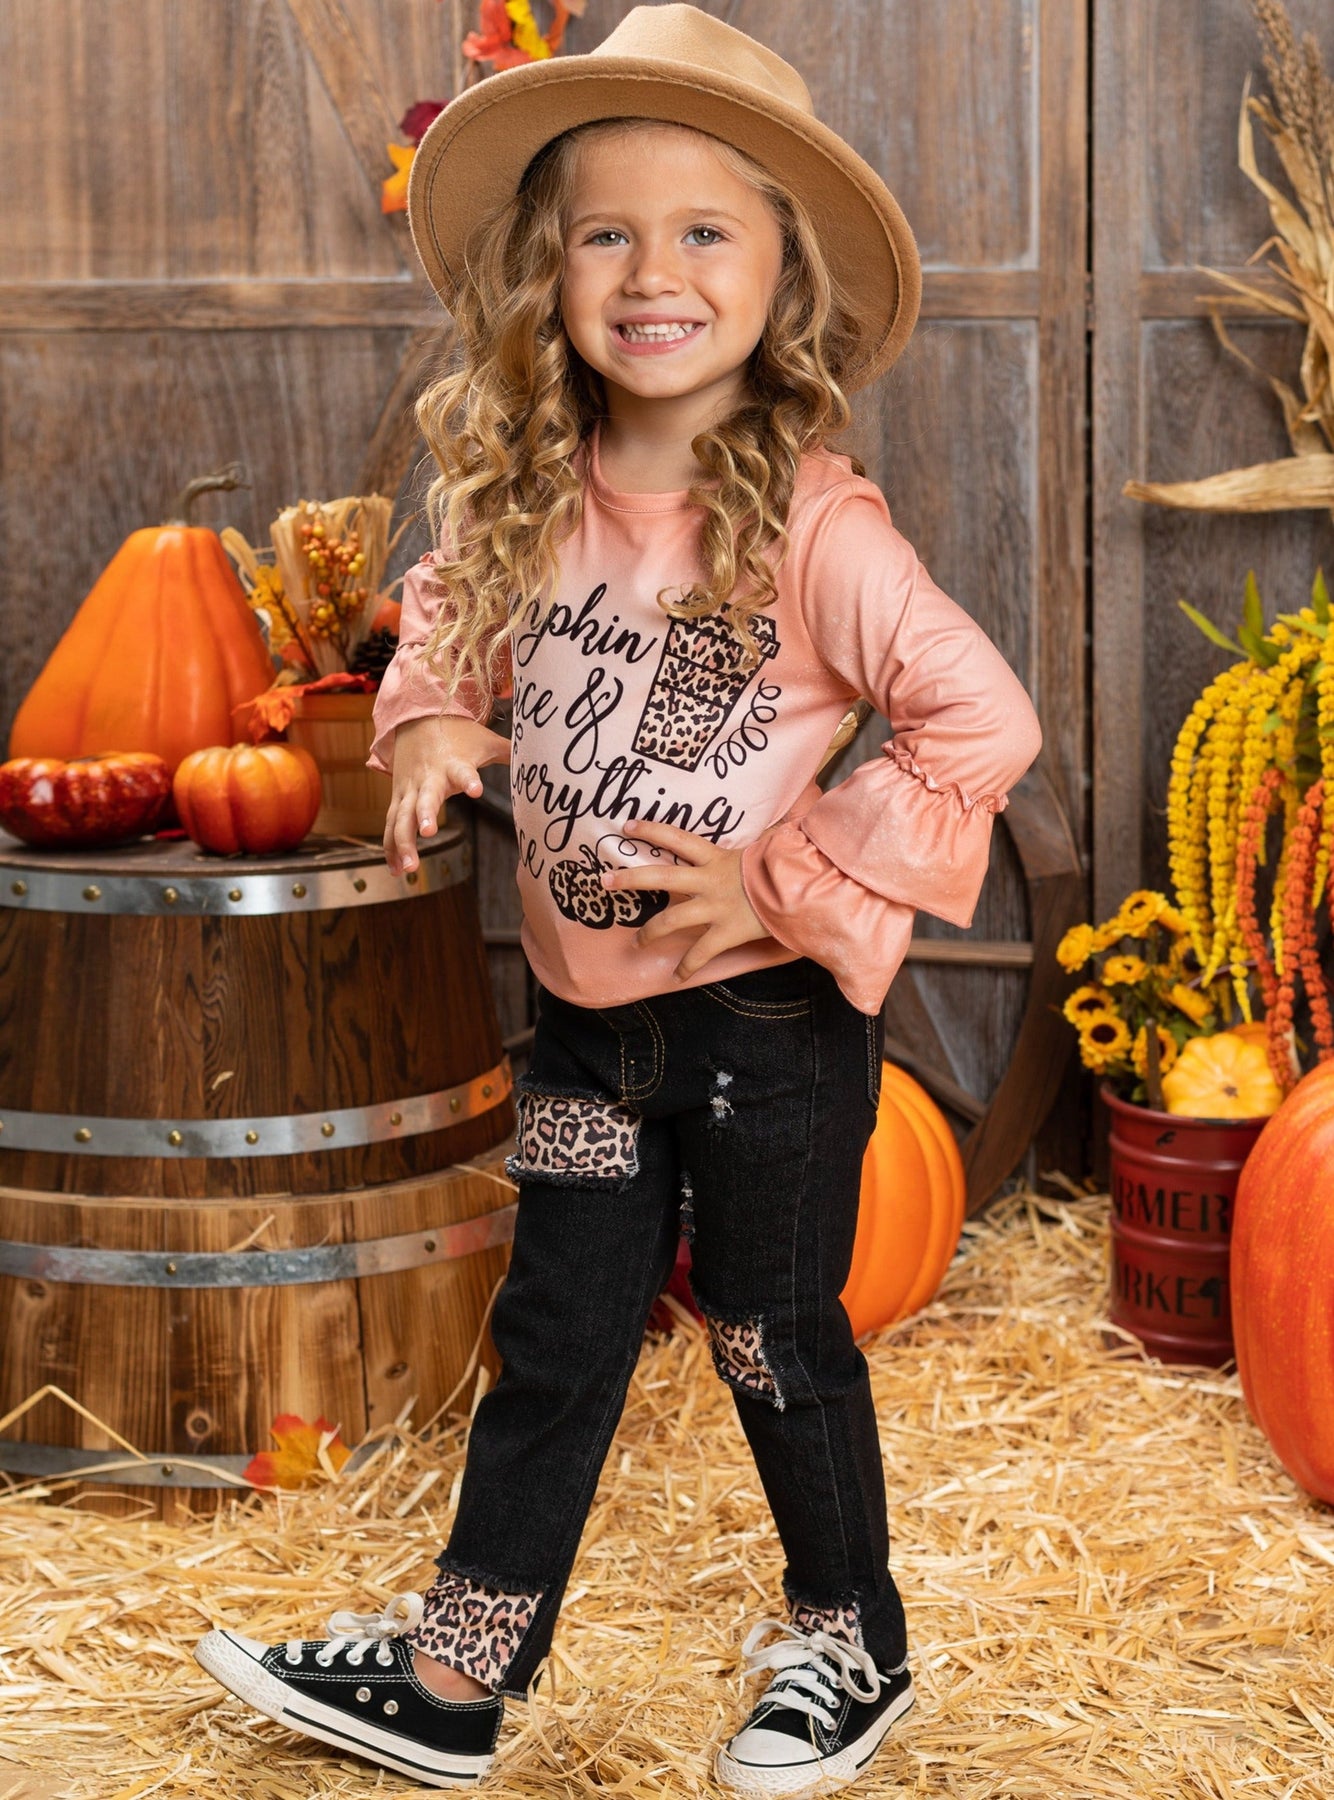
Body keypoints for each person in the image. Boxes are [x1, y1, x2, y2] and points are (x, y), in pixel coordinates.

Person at [194, 6, 1042, 1793]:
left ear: (780, 274)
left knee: (769, 1335)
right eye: (606, 233)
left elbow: (982, 721)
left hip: (761, 1033)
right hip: (586, 1025)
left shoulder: (815, 530)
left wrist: (784, 876)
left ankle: (850, 1642)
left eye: (702, 230)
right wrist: (430, 718)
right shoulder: (526, 497)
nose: (652, 273)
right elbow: (442, 620)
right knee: (559, 1337)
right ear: (550, 271)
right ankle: (453, 1681)